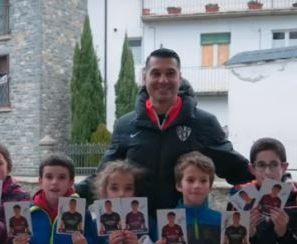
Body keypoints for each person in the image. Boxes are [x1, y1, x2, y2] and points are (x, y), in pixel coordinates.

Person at [77, 48, 253, 211]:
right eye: (156, 73)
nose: (163, 80)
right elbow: (103, 175)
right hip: (138, 228)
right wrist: (70, 194)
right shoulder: (125, 124)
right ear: (145, 77)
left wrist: (269, 179)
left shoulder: (204, 123)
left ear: (179, 77)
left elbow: (235, 167)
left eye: (170, 73)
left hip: (185, 229)